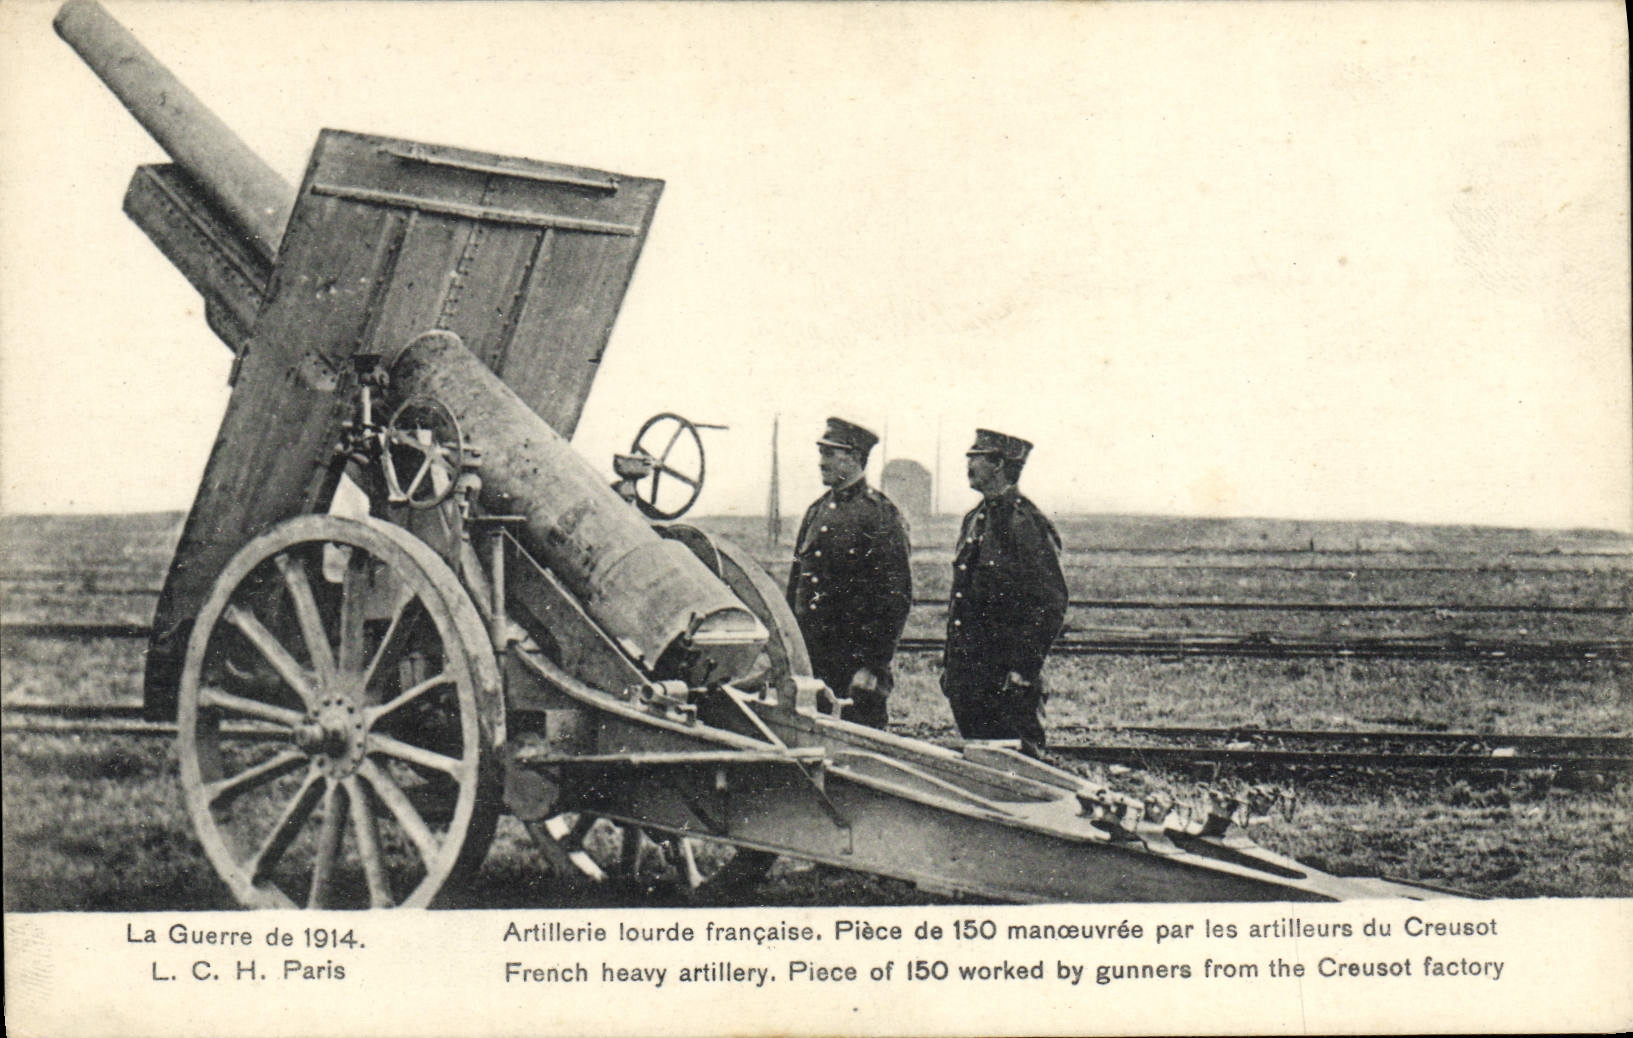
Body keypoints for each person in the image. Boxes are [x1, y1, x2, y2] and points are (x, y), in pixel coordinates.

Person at [942, 428, 1068, 756]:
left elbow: (1051, 602)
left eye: (977, 458)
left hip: (1007, 682)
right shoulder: (974, 519)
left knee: (1018, 773)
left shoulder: (1025, 522)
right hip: (970, 679)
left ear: (998, 464)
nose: (968, 463)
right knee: (981, 769)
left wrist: (1024, 668)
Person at [785, 417, 912, 728]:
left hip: (854, 670)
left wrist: (873, 666)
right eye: (822, 454)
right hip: (812, 664)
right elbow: (796, 585)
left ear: (854, 457)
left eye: (830, 454)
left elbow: (895, 598)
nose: (821, 463)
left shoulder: (879, 515)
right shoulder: (816, 511)